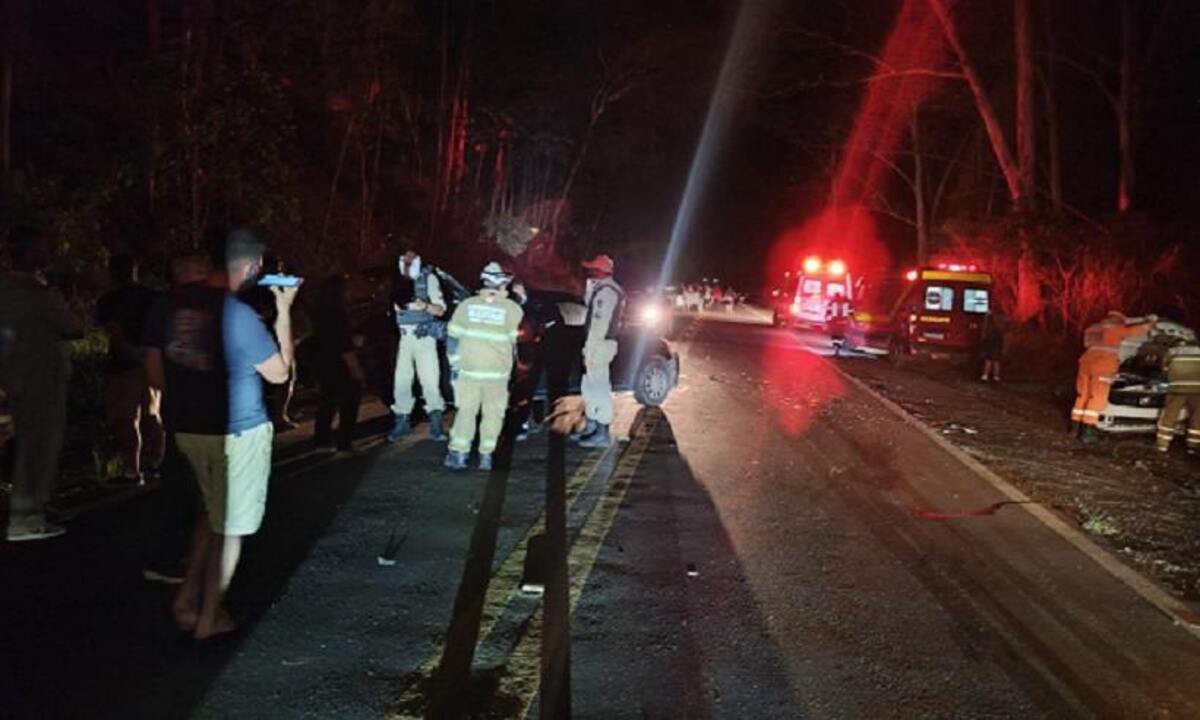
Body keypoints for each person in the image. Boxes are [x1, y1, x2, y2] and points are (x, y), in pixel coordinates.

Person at [151, 229, 296, 639]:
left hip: (189, 429)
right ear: (251, 267)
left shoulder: (176, 305)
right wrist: (284, 313)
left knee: (210, 514)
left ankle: (185, 601)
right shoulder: (239, 315)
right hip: (237, 433)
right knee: (231, 526)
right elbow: (279, 372)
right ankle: (210, 615)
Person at [0, 226, 83, 541]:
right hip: (39, 379)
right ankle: (26, 516)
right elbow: (73, 327)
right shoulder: (40, 293)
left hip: (8, 377)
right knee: (37, 446)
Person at [443, 262, 524, 470]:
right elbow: (517, 342)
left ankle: (459, 455)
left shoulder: (466, 305)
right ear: (503, 283)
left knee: (466, 412)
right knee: (493, 415)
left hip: (469, 371)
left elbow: (452, 337)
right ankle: (486, 456)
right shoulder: (513, 309)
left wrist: (455, 363)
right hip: (497, 375)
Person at [97, 253, 165, 484]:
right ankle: (155, 462)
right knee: (151, 414)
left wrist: (129, 350)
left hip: (124, 363)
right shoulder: (153, 297)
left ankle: (132, 468)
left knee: (126, 417)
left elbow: (112, 331)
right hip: (149, 361)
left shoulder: (109, 300)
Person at [388, 250, 447, 442]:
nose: (406, 263)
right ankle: (401, 422)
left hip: (424, 336)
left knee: (430, 381)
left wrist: (425, 306)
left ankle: (436, 424)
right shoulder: (396, 280)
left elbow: (440, 309)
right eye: (403, 259)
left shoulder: (428, 279)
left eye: (409, 260)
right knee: (401, 382)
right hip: (405, 337)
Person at [1071, 310, 1156, 444]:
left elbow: (1088, 343)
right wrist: (1150, 323)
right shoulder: (1114, 328)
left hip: (1086, 362)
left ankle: (1075, 428)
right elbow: (1136, 331)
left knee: (1083, 395)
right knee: (1098, 397)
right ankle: (1088, 432)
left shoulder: (1094, 328)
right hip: (1102, 365)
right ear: (1118, 320)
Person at [311, 274, 364, 455]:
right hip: (341, 366)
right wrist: (356, 370)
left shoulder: (318, 312)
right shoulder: (338, 315)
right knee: (349, 403)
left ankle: (322, 441)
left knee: (326, 402)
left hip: (323, 362)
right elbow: (344, 347)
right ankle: (344, 442)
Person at [576, 254, 624, 448]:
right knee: (589, 386)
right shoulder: (602, 289)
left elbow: (598, 324)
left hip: (599, 345)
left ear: (601, 271)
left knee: (599, 388)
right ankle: (591, 426)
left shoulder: (607, 293)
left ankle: (602, 432)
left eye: (592, 269)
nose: (589, 272)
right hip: (598, 345)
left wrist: (590, 350)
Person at [1156, 340, 1200, 457]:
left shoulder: (1172, 351)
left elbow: (1164, 369)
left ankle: (1162, 445)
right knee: (1197, 418)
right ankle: (1193, 446)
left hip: (1177, 389)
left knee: (1170, 416)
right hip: (1197, 390)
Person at [979, 308, 1005, 382]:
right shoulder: (1001, 320)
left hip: (990, 341)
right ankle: (996, 376)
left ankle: (985, 375)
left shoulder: (989, 320)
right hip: (998, 341)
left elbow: (985, 331)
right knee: (996, 360)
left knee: (988, 359)